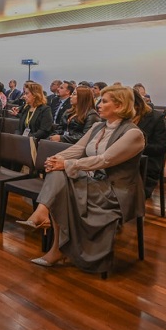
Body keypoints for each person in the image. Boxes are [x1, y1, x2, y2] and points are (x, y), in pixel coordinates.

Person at [17, 86, 145, 273]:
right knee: (58, 173)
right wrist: (56, 159)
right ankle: (46, 221)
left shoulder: (133, 134)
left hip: (115, 190)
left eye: (104, 101)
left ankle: (47, 225)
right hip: (92, 181)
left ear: (119, 106)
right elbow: (77, 149)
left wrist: (68, 164)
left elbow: (105, 160)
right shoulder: (97, 126)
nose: (99, 105)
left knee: (60, 181)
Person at [133, 89, 166, 198]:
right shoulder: (119, 117)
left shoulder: (155, 117)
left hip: (146, 163)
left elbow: (161, 147)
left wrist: (135, 147)